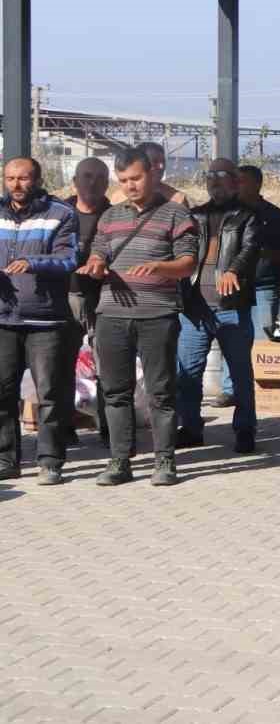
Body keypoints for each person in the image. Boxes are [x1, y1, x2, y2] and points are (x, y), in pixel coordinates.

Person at [78, 147, 199, 487]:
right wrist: (96, 266)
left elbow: (188, 263)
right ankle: (119, 461)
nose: (130, 185)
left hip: (157, 314)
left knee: (161, 392)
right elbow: (98, 253)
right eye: (124, 180)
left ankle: (165, 461)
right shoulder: (110, 216)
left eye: (136, 178)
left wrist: (161, 266)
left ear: (152, 174)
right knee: (115, 391)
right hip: (111, 315)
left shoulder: (176, 215)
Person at [173, 159, 262, 454]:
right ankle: (191, 427)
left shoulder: (248, 216)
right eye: (210, 176)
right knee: (188, 372)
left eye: (222, 176)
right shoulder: (195, 216)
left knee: (239, 373)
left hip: (231, 305)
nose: (215, 182)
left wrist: (234, 271)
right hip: (195, 308)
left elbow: (250, 249)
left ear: (236, 182)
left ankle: (245, 428)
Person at [0, 157, 79, 484]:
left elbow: (70, 258)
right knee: (2, 392)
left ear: (37, 179)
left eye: (23, 178)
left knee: (50, 393)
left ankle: (50, 461)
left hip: (45, 320)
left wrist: (32, 263)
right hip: (3, 319)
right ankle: (6, 459)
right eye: (10, 178)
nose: (16, 185)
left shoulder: (60, 214)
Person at [64, 158, 112, 444]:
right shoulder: (59, 213)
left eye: (98, 177)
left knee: (108, 366)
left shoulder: (116, 215)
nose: (91, 182)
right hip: (65, 298)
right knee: (61, 365)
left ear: (107, 183)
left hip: (104, 298)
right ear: (75, 180)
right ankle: (64, 427)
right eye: (86, 176)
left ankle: (110, 429)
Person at [237, 165, 280, 343]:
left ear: (257, 184)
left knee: (263, 341)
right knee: (234, 341)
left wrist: (265, 254)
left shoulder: (276, 216)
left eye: (241, 181)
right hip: (234, 288)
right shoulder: (228, 213)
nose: (236, 185)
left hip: (263, 287)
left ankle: (262, 372)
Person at [106, 141, 188, 207]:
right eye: (155, 161)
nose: (161, 166)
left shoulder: (177, 200)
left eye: (163, 161)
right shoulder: (118, 198)